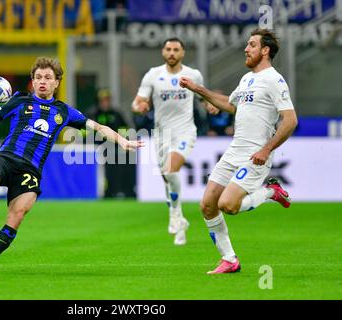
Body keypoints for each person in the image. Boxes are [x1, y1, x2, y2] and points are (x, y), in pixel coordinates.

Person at [0, 57, 143, 273]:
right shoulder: (19, 101)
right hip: (7, 157)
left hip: (30, 169)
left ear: (57, 82)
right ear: (32, 80)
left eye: (48, 78)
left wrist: (122, 140)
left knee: (17, 215)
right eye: (38, 77)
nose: (43, 81)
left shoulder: (64, 111)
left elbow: (97, 126)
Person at [179, 28, 298, 274]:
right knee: (207, 205)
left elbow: (290, 120)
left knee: (229, 205)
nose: (246, 48)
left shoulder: (274, 80)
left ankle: (269, 192)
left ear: (265, 50)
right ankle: (230, 260)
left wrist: (266, 149)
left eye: (252, 45)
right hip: (234, 151)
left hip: (255, 154)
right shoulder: (247, 79)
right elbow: (230, 105)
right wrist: (200, 91)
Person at [132, 37, 213, 245]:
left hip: (185, 131)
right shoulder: (153, 74)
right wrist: (139, 106)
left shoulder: (193, 75)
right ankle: (181, 226)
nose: (172, 53)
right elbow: (138, 101)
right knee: (168, 179)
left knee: (170, 170)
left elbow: (203, 96)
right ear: (163, 51)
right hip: (161, 134)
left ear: (183, 53)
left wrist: (209, 105)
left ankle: (175, 214)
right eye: (168, 49)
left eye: (176, 49)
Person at [87, 88, 132, 198]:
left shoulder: (116, 114)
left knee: (119, 166)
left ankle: (118, 191)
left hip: (113, 149)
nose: (105, 102)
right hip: (95, 150)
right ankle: (101, 192)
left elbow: (125, 130)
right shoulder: (92, 114)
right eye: (102, 100)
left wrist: (121, 141)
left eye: (107, 100)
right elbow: (83, 134)